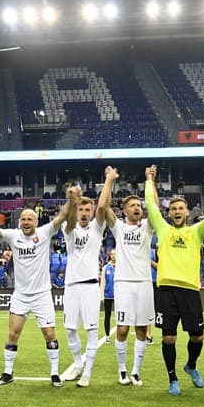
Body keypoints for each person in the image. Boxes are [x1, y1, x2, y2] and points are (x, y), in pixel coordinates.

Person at [0, 189, 77, 387]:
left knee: (49, 334)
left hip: (42, 295)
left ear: (36, 222)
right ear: (19, 222)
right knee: (13, 334)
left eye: (29, 219)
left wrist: (70, 199)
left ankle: (55, 373)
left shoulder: (44, 233)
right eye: (23, 219)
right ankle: (7, 372)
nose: (25, 222)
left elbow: (62, 216)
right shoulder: (13, 235)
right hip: (20, 295)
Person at [145, 165, 204, 396]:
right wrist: (149, 180)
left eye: (181, 208)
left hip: (190, 290)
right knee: (168, 337)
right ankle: (173, 378)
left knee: (197, 336)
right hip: (167, 290)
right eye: (173, 209)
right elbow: (151, 205)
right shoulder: (163, 230)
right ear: (169, 213)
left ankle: (191, 365)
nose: (177, 211)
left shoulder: (196, 232)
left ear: (187, 211)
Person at [100, 166, 156, 386]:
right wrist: (109, 180)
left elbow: (155, 208)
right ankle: (122, 369)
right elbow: (103, 206)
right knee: (122, 329)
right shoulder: (119, 228)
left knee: (142, 329)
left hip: (144, 283)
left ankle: (135, 371)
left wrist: (149, 181)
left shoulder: (147, 228)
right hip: (123, 283)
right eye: (132, 205)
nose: (137, 208)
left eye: (138, 205)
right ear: (124, 210)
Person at [59, 195, 107, 387]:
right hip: (71, 286)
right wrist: (72, 200)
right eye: (81, 209)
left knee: (91, 330)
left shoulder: (97, 227)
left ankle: (87, 372)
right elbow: (69, 222)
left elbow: (103, 207)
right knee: (70, 329)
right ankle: (78, 364)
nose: (84, 213)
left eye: (88, 210)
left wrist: (109, 180)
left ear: (92, 211)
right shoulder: (68, 228)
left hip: (90, 286)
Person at [101, 249, 116, 344]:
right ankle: (107, 335)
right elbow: (103, 282)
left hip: (119, 295)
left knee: (120, 317)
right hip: (107, 295)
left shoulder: (122, 267)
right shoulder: (105, 267)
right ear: (110, 255)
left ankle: (120, 336)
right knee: (107, 316)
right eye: (112, 254)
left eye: (115, 254)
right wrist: (101, 295)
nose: (114, 255)